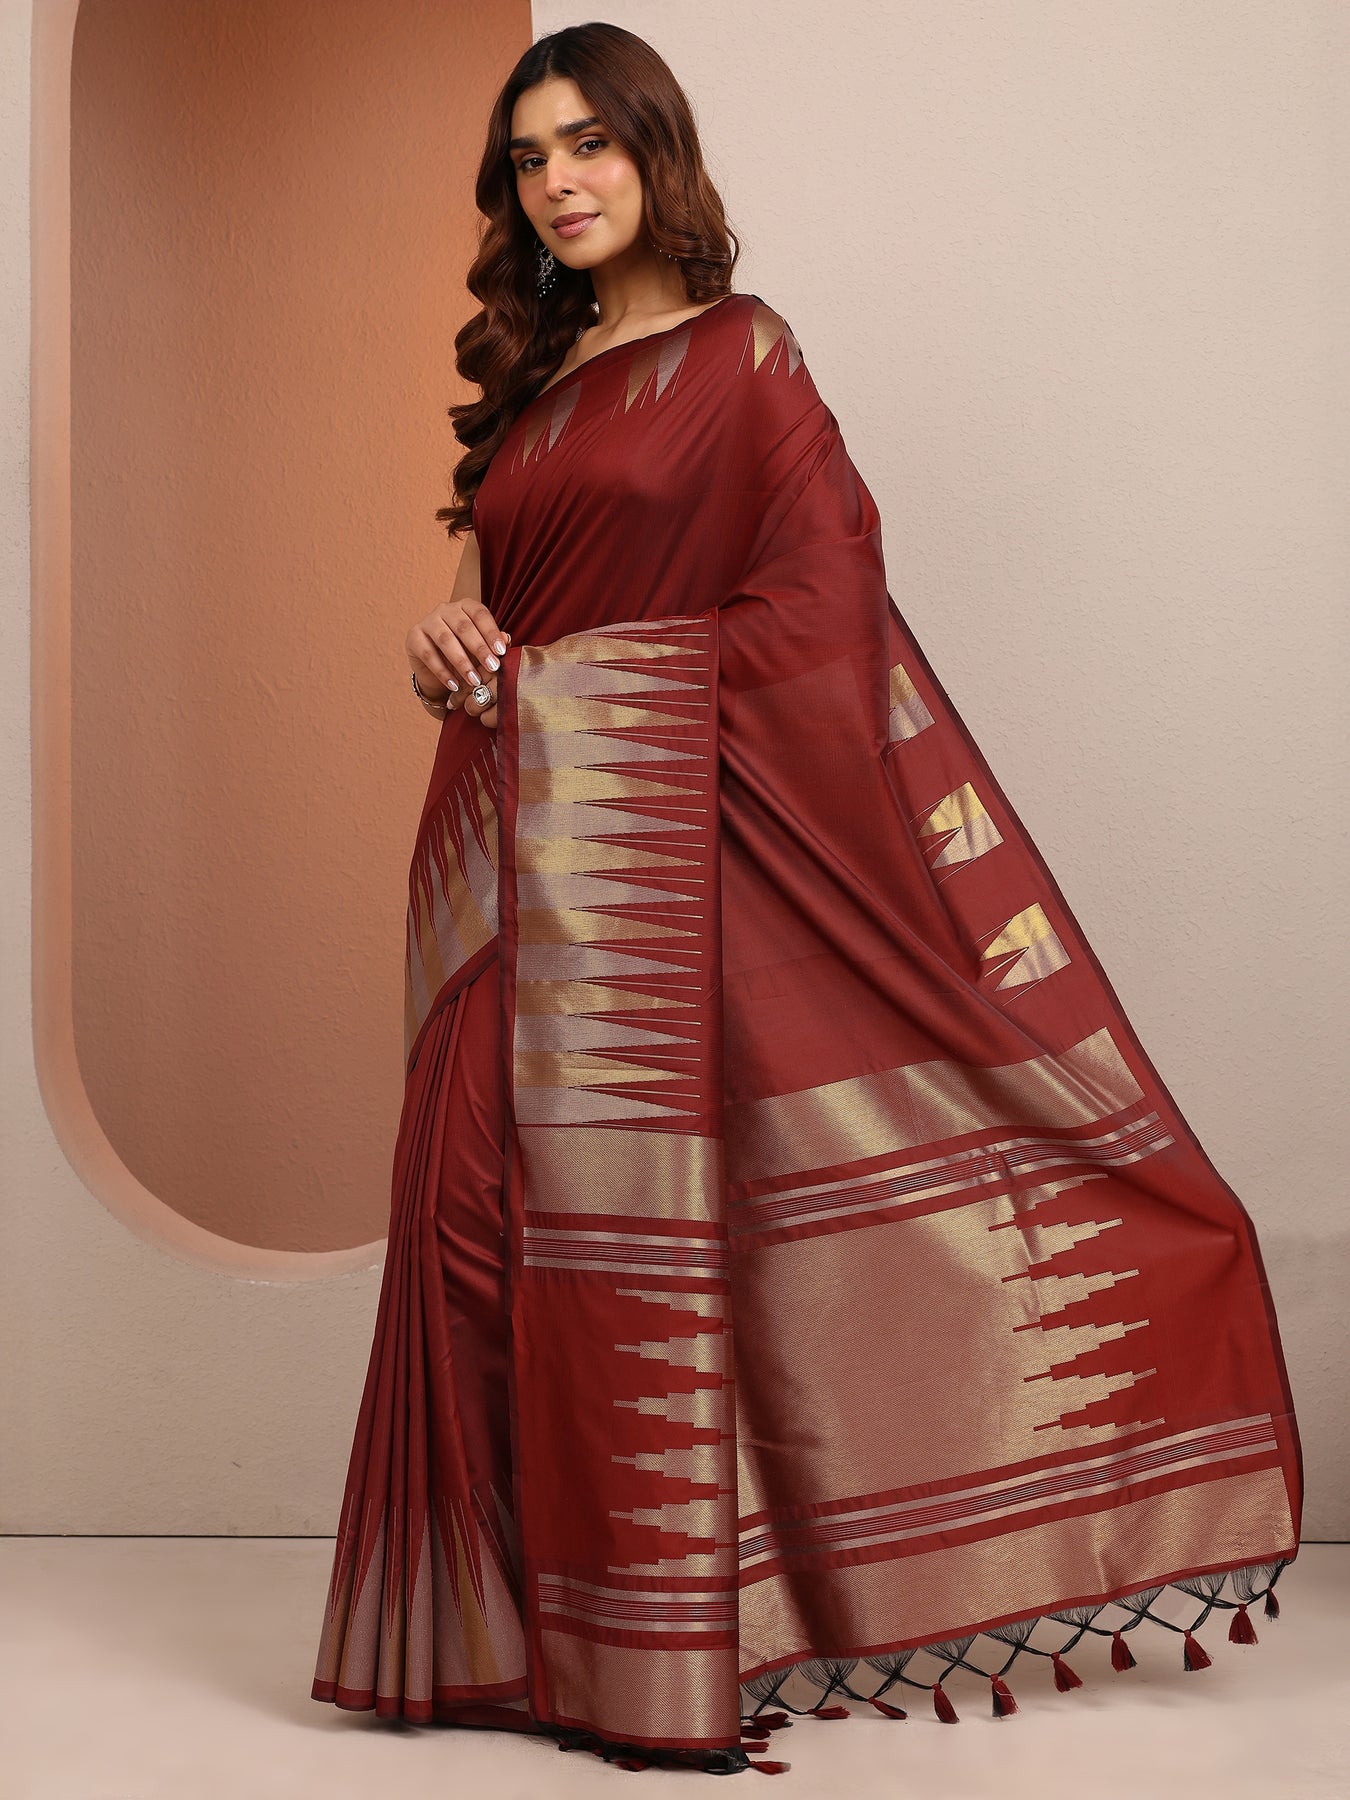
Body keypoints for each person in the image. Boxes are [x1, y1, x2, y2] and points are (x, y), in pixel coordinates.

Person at [310, 21, 1302, 1779]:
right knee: (464, 1223)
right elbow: (479, 613)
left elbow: (818, 616)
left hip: (639, 876)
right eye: (530, 159)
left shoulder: (743, 356)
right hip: (505, 856)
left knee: (617, 1234)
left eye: (589, 145)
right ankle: (495, 1642)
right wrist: (438, 642)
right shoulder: (528, 385)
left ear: (656, 153)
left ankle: (638, 1654)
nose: (559, 182)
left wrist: (582, 690)